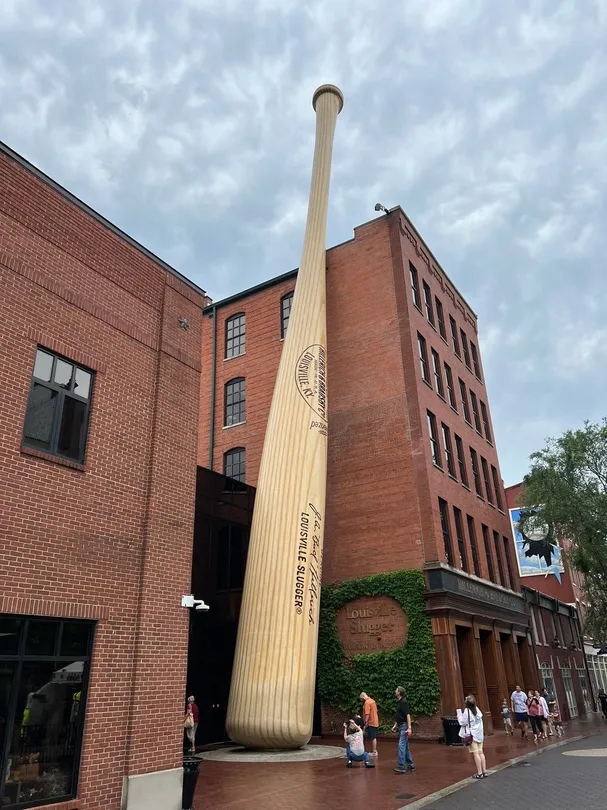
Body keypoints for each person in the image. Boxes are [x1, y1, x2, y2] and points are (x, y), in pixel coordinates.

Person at [457, 695, 487, 779]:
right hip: (479, 733)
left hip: (472, 734)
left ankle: (479, 773)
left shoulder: (467, 711)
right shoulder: (477, 709)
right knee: (481, 752)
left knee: (476, 753)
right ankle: (484, 771)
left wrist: (459, 717)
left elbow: (463, 723)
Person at [392, 686, 415, 774]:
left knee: (401, 746)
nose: (395, 691)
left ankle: (401, 766)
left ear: (399, 693)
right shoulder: (400, 702)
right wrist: (395, 725)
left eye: (396, 690)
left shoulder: (404, 702)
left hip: (404, 727)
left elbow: (407, 715)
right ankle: (410, 764)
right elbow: (399, 715)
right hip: (401, 726)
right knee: (405, 746)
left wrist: (409, 727)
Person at [360, 691, 379, 757]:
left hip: (371, 722)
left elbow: (367, 714)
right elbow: (376, 711)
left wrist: (365, 722)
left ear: (363, 697)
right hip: (375, 721)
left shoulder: (367, 703)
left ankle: (374, 751)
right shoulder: (372, 701)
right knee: (373, 736)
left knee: (373, 737)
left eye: (361, 699)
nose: (362, 701)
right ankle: (374, 750)